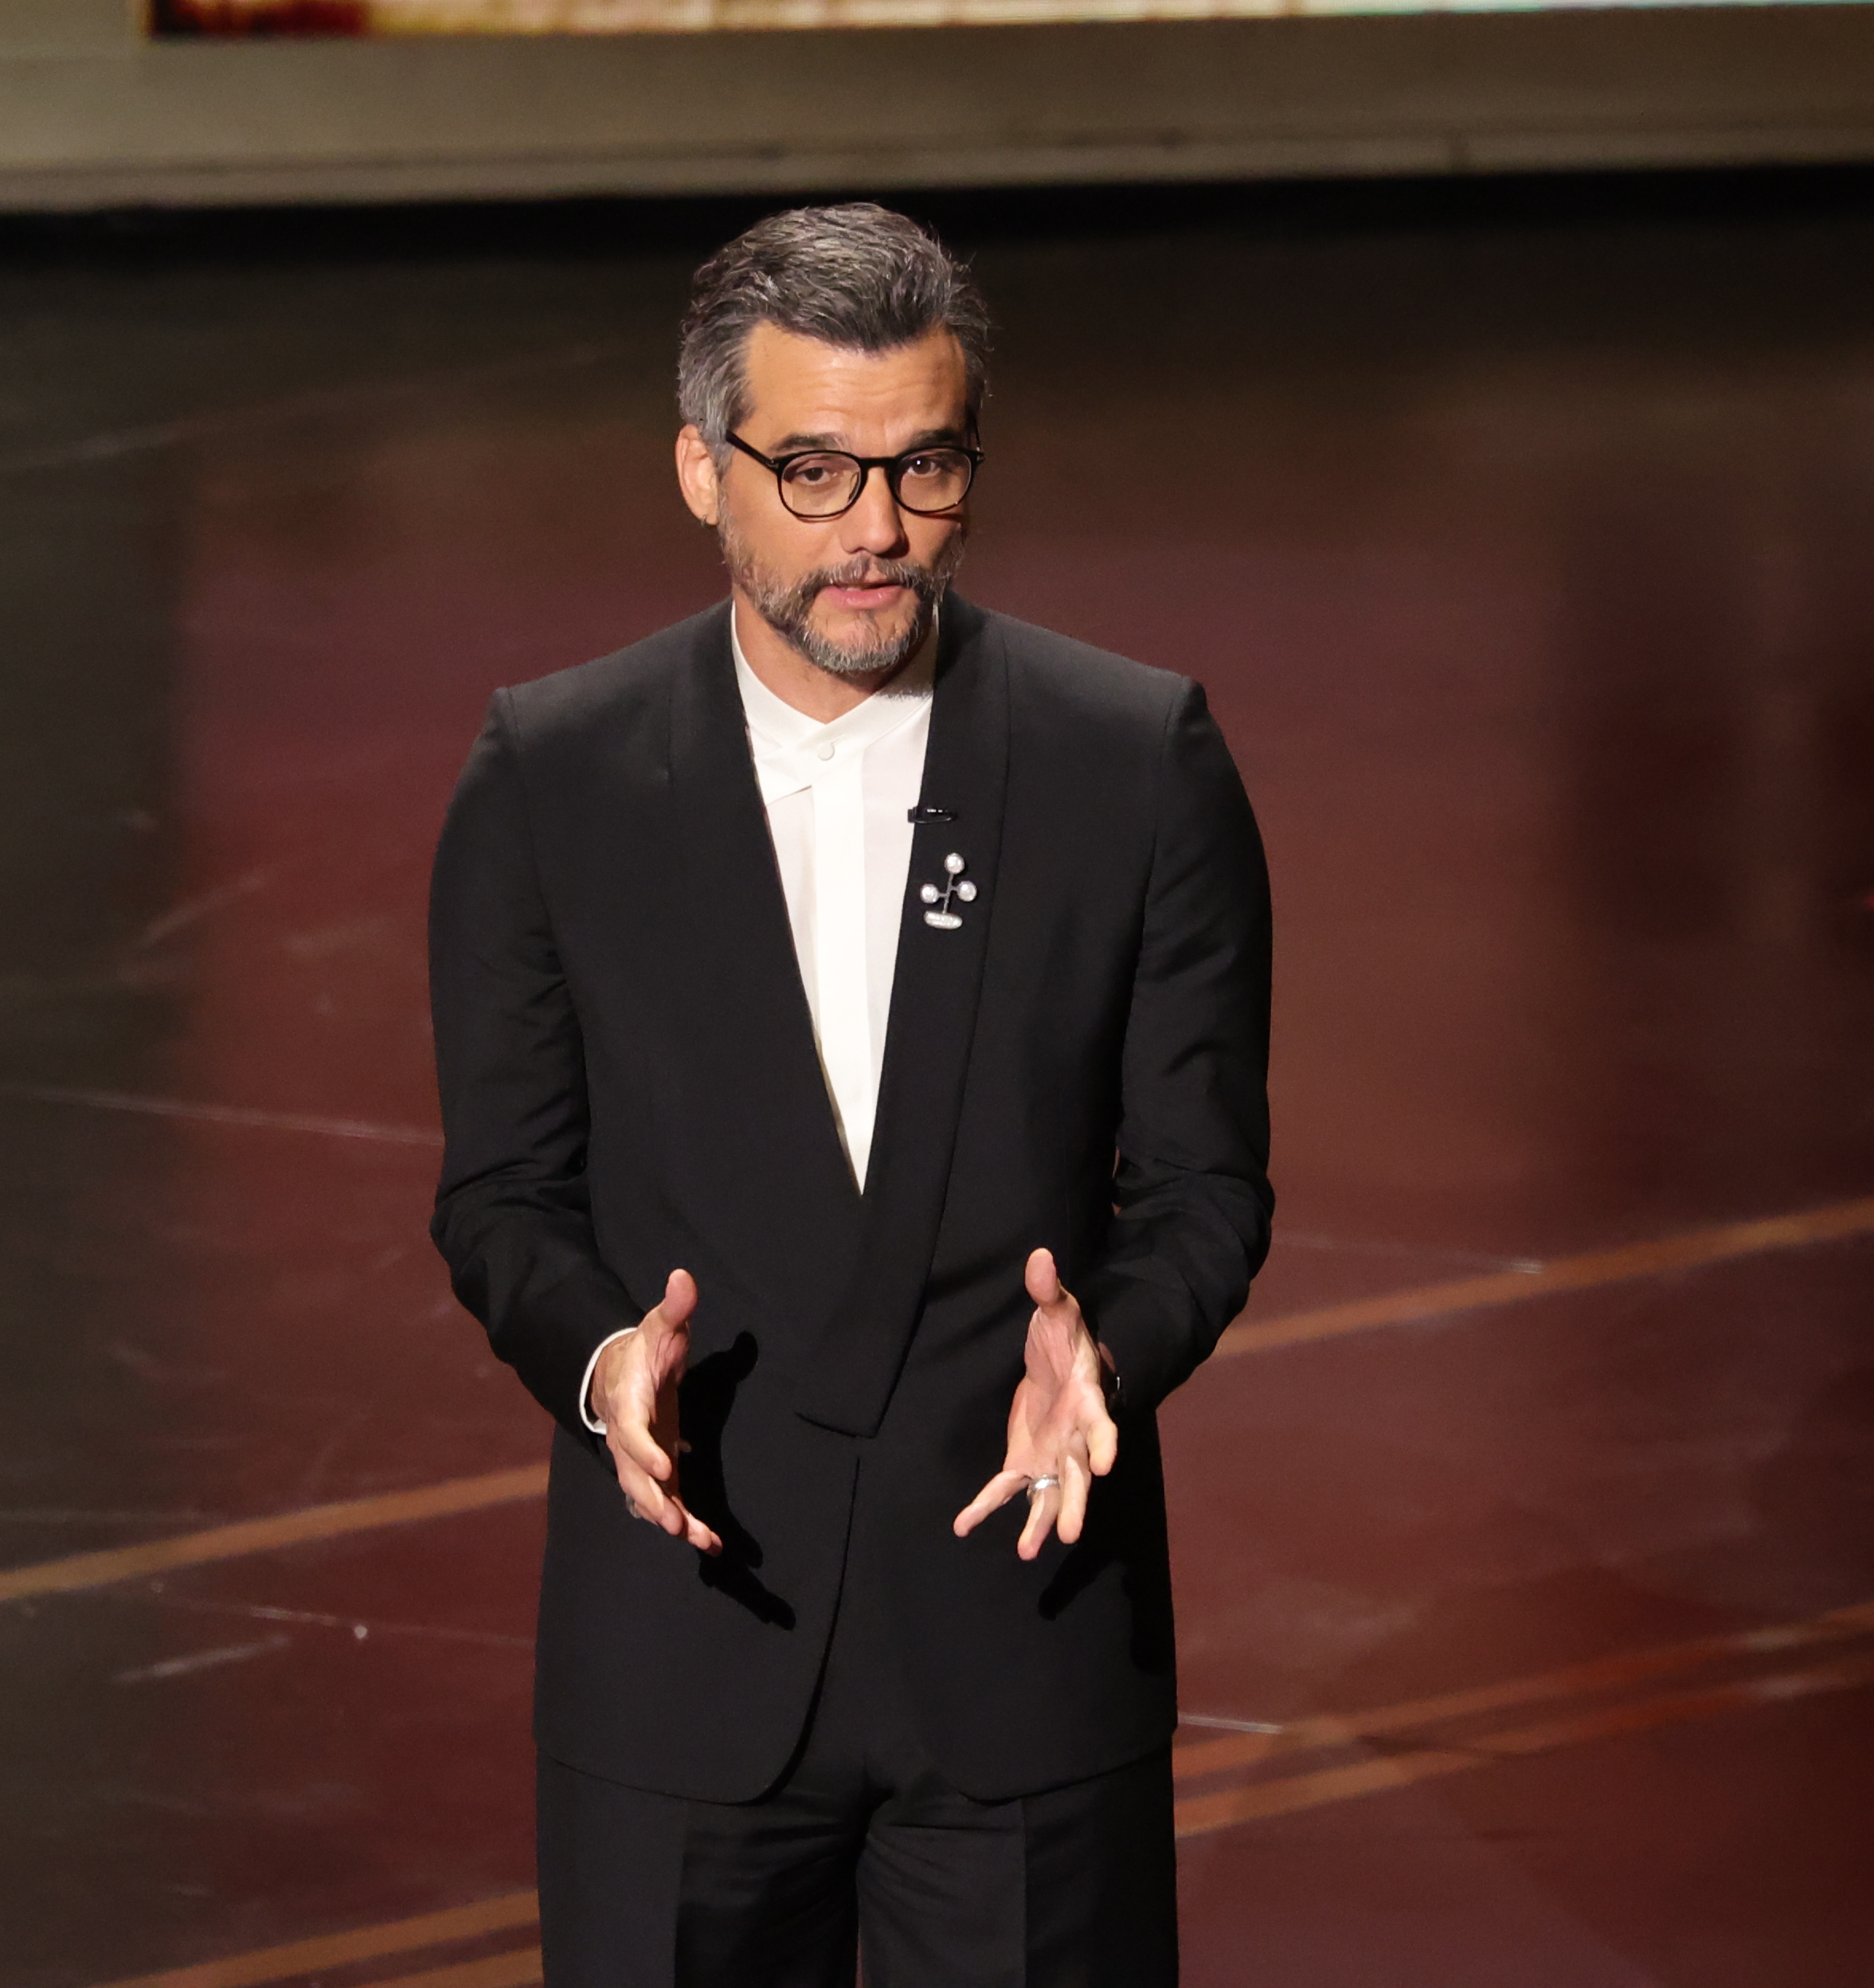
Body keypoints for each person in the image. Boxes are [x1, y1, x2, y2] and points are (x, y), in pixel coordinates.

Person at [428, 202, 1271, 1987]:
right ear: (698, 468)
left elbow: (1206, 1193)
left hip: (1023, 1649)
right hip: (683, 1663)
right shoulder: (554, 778)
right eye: (812, 471)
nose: (876, 531)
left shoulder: (1136, 761)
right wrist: (599, 1359)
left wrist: (1103, 1352)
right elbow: (502, 1195)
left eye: (924, 468)